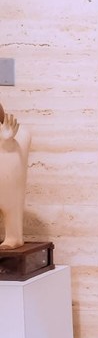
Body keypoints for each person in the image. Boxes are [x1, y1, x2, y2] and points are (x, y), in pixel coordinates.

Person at [0, 101, 31, 249]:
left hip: (7, 184)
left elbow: (17, 162)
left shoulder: (18, 133)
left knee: (10, 206)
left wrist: (8, 143)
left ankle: (14, 236)